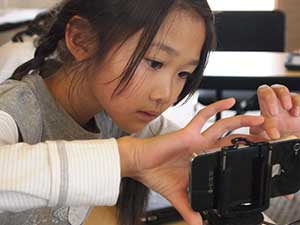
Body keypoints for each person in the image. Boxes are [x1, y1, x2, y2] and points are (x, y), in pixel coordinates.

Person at [0, 1, 299, 225]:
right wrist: (127, 159)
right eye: (155, 63)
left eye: (183, 73)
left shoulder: (118, 117)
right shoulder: (16, 111)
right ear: (82, 40)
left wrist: (273, 147)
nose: (165, 94)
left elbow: (196, 163)